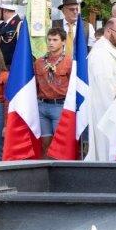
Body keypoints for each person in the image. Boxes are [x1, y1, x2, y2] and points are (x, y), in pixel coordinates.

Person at [85, 17, 116, 161]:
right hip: (106, 110)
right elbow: (106, 87)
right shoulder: (100, 53)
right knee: (106, 149)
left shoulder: (110, 49)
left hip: (114, 107)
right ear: (109, 31)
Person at [33, 27, 71, 156]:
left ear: (63, 41)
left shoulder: (69, 61)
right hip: (42, 106)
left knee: (59, 143)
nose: (51, 43)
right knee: (45, 143)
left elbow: (73, 85)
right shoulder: (39, 62)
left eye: (55, 40)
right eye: (49, 40)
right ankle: (46, 166)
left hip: (60, 105)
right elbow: (34, 84)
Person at [0, 0, 21, 66]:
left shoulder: (19, 24)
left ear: (4, 10)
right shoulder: (0, 27)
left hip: (13, 67)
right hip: (1, 67)